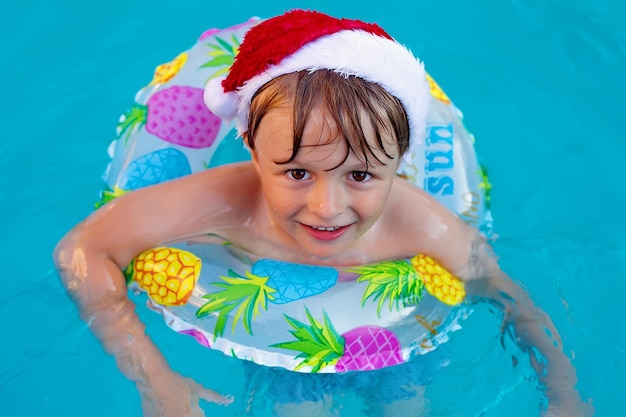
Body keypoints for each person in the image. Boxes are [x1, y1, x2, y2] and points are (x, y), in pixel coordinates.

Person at [53, 9, 592, 417]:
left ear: (399, 163)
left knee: (406, 399)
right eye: (296, 173)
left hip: (401, 343)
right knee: (297, 401)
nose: (326, 208)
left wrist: (563, 393)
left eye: (359, 176)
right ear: (250, 146)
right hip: (284, 354)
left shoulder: (420, 224)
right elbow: (81, 250)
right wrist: (155, 378)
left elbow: (505, 295)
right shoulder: (218, 201)